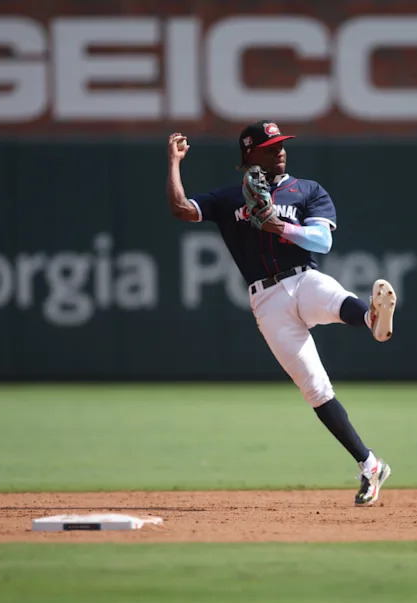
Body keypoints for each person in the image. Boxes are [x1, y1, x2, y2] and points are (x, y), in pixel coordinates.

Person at [166, 121, 396, 505]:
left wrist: (280, 227)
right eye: (270, 147)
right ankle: (370, 465)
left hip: (303, 278)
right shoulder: (227, 199)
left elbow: (322, 239)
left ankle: (373, 319)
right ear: (249, 155)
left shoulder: (306, 189)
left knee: (333, 296)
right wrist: (174, 163)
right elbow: (181, 210)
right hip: (266, 300)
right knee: (316, 391)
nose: (280, 151)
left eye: (281, 145)